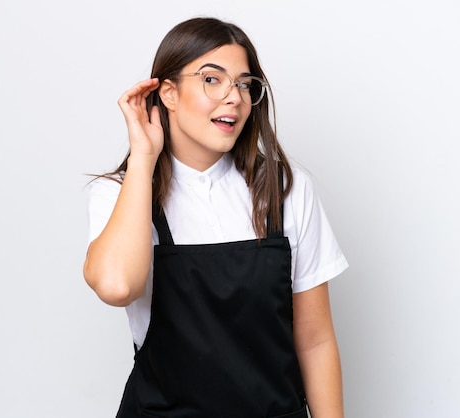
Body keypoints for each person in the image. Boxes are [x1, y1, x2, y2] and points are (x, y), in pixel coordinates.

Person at [83, 16, 348, 418]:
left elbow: (314, 340)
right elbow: (117, 287)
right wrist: (143, 158)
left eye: (244, 84)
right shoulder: (121, 193)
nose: (234, 97)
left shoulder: (282, 189)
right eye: (212, 79)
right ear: (168, 93)